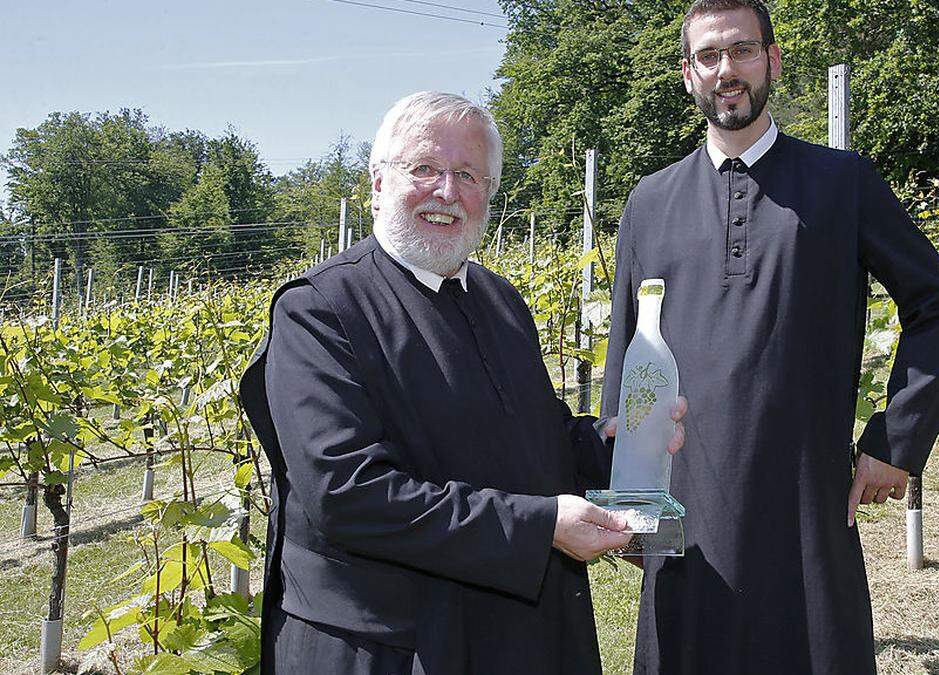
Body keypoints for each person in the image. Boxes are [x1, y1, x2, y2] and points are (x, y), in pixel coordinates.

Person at [239, 91, 685, 674]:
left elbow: (531, 436)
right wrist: (541, 526)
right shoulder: (320, 310)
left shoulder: (500, 301)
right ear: (377, 183)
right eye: (424, 168)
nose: (447, 192)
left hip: (513, 633)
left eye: (469, 175)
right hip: (389, 645)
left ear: (489, 195)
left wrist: (615, 448)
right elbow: (346, 493)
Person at [601, 1, 939, 673]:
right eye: (708, 57)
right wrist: (626, 491)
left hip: (806, 504)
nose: (726, 70)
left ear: (772, 60)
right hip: (686, 508)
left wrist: (897, 440)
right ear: (688, 74)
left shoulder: (842, 182)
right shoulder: (649, 202)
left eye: (741, 51)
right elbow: (628, 355)